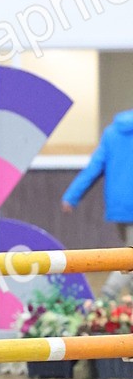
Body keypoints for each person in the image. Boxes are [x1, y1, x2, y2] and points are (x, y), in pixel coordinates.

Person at [61, 109, 133, 298]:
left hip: (118, 207)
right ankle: (108, 294)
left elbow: (93, 168)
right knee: (130, 257)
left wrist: (71, 196)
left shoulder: (112, 133)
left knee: (130, 251)